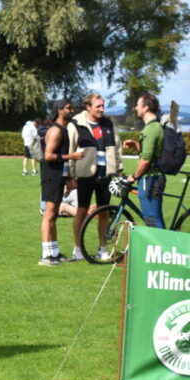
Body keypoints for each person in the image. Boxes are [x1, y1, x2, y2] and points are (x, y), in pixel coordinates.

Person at [67, 93, 123, 261]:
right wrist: (70, 176)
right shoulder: (76, 123)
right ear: (88, 107)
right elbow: (70, 150)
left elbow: (117, 148)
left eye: (103, 105)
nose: (102, 109)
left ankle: (103, 249)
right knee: (82, 211)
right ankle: (77, 248)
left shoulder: (108, 123)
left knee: (104, 211)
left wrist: (119, 170)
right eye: (98, 106)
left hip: (106, 174)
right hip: (85, 175)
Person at [39, 99, 84, 265]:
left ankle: (55, 253)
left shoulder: (63, 130)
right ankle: (46, 256)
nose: (71, 111)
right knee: (49, 215)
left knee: (54, 215)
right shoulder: (55, 131)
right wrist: (72, 156)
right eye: (68, 108)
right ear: (59, 110)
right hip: (51, 177)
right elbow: (48, 156)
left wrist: (68, 178)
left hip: (58, 176)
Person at [125, 93, 166, 227]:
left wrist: (133, 177)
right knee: (155, 218)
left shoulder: (151, 129)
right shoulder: (156, 126)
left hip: (150, 179)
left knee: (152, 221)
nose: (135, 108)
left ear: (146, 107)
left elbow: (146, 160)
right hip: (154, 178)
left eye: (138, 105)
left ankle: (163, 241)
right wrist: (137, 145)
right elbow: (152, 153)